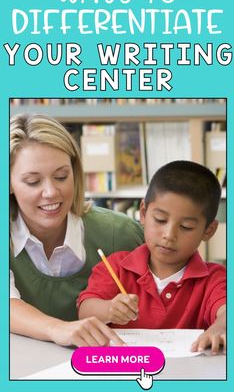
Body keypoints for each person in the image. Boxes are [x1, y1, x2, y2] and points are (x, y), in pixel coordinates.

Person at [10, 113, 144, 347]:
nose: (51, 192)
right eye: (33, 181)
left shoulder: (121, 233)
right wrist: (59, 329)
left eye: (61, 176)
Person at [78, 161, 226, 354]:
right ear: (143, 212)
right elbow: (85, 311)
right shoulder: (116, 267)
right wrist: (109, 309)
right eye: (160, 220)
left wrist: (221, 327)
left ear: (208, 230)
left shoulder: (213, 278)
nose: (169, 235)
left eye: (186, 227)